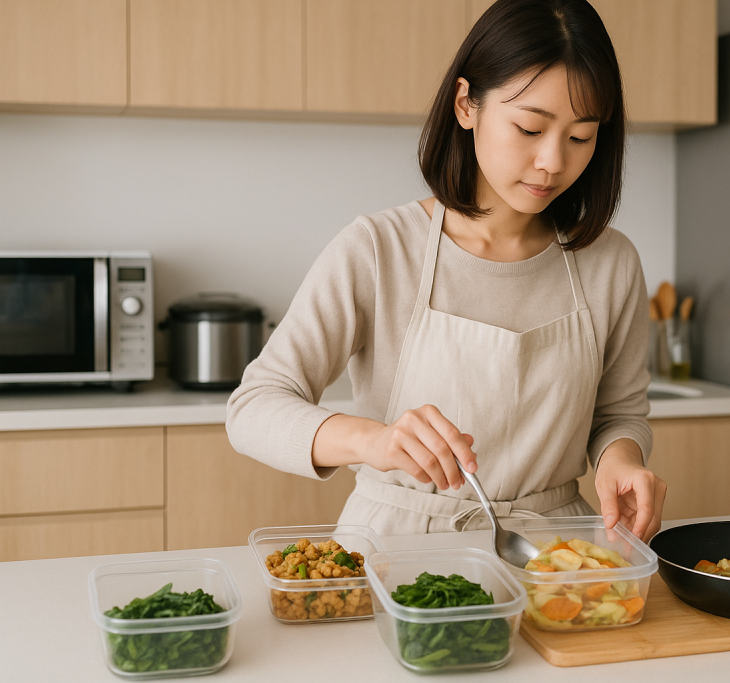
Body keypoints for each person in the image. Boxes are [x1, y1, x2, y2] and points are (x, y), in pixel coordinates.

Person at [226, 0, 667, 542]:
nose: (553, 161)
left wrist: (619, 460)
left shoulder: (610, 260)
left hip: (556, 559)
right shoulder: (379, 249)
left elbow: (619, 414)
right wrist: (371, 441)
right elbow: (253, 407)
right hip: (397, 552)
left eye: (581, 137)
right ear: (467, 105)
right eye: (530, 128)